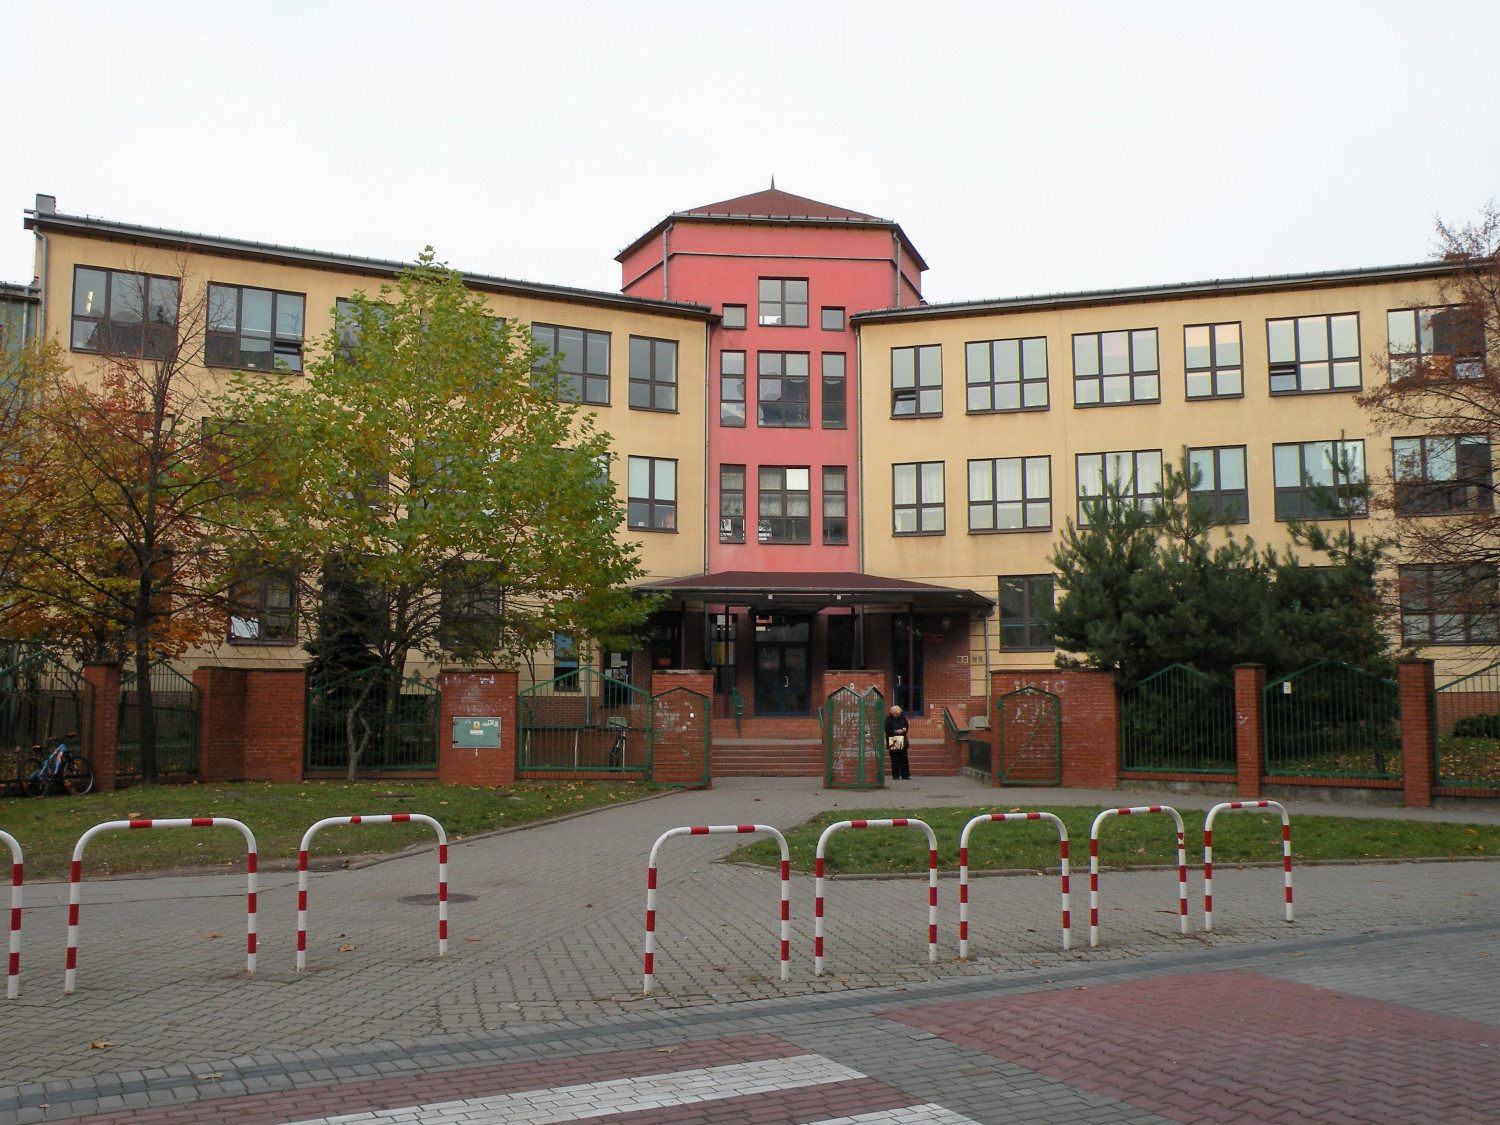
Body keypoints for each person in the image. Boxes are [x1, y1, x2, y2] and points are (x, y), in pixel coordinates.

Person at [884, 704, 911, 780]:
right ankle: (896, 775)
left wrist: (904, 729)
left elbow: (906, 725)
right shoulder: (888, 719)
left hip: (902, 737)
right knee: (895, 758)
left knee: (904, 758)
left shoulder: (902, 717)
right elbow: (887, 730)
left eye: (898, 714)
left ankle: (905, 775)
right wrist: (896, 731)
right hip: (893, 739)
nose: (896, 715)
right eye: (895, 714)